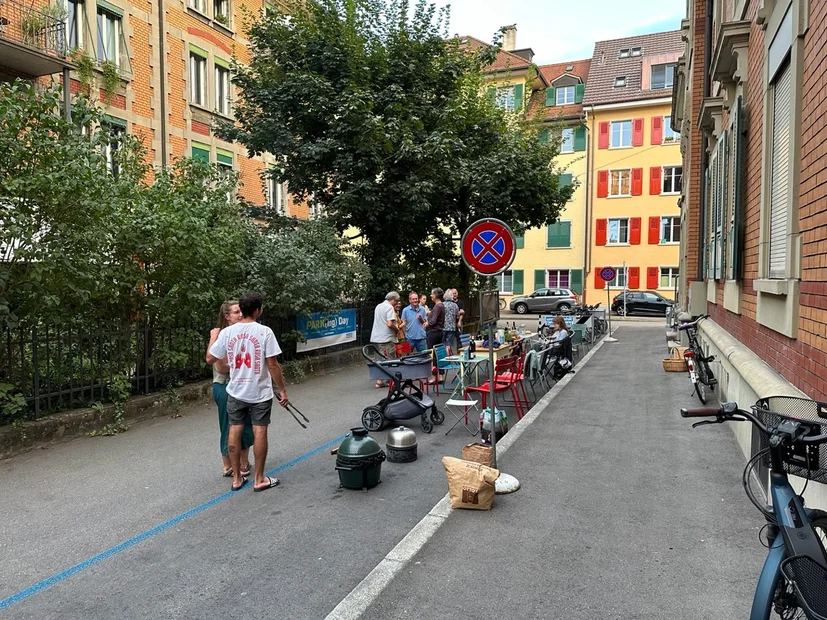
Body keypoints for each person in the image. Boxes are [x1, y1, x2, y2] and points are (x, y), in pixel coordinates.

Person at [206, 292, 288, 493]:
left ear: (241, 310)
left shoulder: (228, 333)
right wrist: (282, 389)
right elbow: (273, 365)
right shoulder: (265, 332)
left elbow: (210, 358)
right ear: (258, 309)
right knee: (260, 430)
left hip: (235, 390)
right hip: (259, 391)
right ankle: (259, 479)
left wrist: (214, 338)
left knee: (235, 429)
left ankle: (236, 478)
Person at [207, 300, 254, 478]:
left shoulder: (242, 333)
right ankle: (227, 465)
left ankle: (243, 463)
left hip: (242, 385)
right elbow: (220, 366)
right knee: (229, 426)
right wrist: (244, 365)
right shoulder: (222, 336)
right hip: (225, 386)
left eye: (241, 311)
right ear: (227, 316)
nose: (240, 314)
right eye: (236, 312)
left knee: (246, 423)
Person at [370, 292, 400, 388]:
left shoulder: (378, 306)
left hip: (376, 337)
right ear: (393, 300)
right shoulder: (389, 307)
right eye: (396, 301)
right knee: (390, 359)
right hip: (386, 338)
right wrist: (397, 329)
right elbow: (389, 324)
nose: (396, 304)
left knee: (379, 359)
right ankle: (390, 380)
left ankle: (380, 380)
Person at [426, 288, 446, 384]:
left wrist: (427, 323)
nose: (431, 295)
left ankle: (434, 377)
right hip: (440, 331)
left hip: (433, 332)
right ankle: (441, 375)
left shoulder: (437, 306)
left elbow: (433, 321)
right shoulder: (441, 305)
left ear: (436, 295)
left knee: (433, 355)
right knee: (439, 354)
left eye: (432, 294)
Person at [443, 289, 460, 354]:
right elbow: (457, 316)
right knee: (448, 344)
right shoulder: (455, 305)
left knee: (442, 344)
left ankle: (442, 357)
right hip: (452, 327)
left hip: (443, 327)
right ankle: (448, 357)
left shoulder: (442, 305)